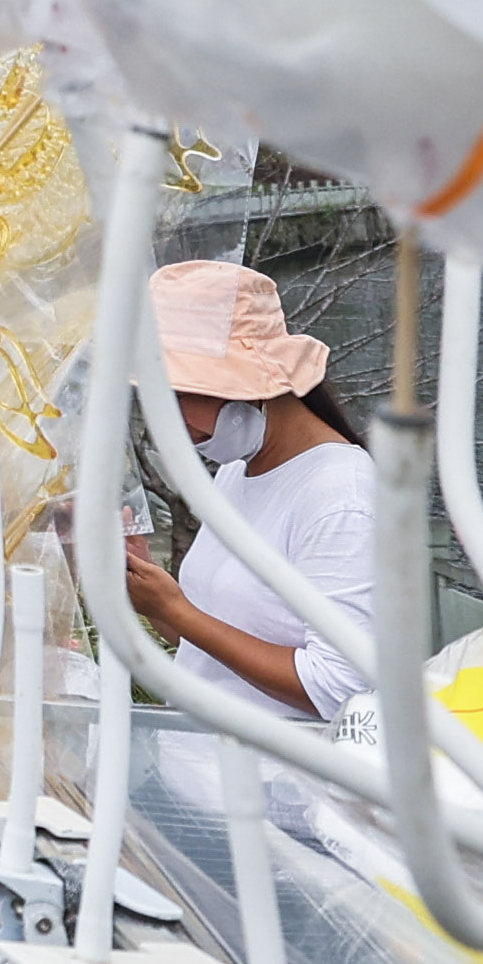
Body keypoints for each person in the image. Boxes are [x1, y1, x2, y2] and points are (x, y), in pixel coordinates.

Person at [118, 258, 378, 718]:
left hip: (274, 784)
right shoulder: (241, 468)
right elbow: (213, 643)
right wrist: (143, 585)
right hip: (196, 771)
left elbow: (339, 689)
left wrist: (178, 611)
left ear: (251, 386)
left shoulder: (342, 497)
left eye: (181, 397)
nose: (170, 423)